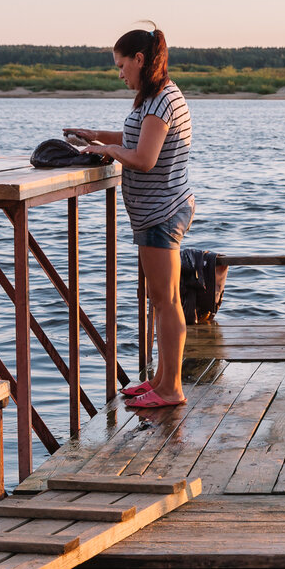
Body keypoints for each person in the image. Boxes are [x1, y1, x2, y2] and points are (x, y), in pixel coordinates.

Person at [63, 25, 193, 408]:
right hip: (155, 211)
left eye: (122, 65)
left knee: (167, 300)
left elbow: (143, 158)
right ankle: (160, 379)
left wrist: (107, 149)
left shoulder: (162, 101)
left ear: (140, 59)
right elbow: (135, 141)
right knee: (161, 299)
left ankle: (172, 390)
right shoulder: (151, 97)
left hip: (161, 212)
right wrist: (95, 136)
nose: (120, 73)